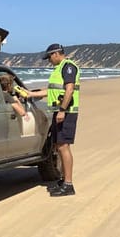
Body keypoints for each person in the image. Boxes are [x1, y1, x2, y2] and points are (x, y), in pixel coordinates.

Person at [26, 43, 80, 197]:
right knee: (59, 146)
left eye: (49, 57)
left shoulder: (68, 67)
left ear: (56, 54)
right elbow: (52, 91)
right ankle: (64, 181)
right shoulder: (58, 69)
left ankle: (68, 184)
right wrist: (30, 94)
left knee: (63, 147)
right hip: (60, 111)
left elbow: (69, 89)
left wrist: (62, 110)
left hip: (67, 112)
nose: (49, 60)